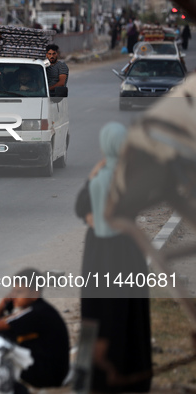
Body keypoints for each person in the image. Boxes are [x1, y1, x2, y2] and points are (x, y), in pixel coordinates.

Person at [75, 122, 152, 393]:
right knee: (127, 310)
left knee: (96, 311)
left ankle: (91, 379)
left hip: (98, 252)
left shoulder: (99, 177)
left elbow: (82, 209)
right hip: (128, 250)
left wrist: (94, 177)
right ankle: (134, 373)